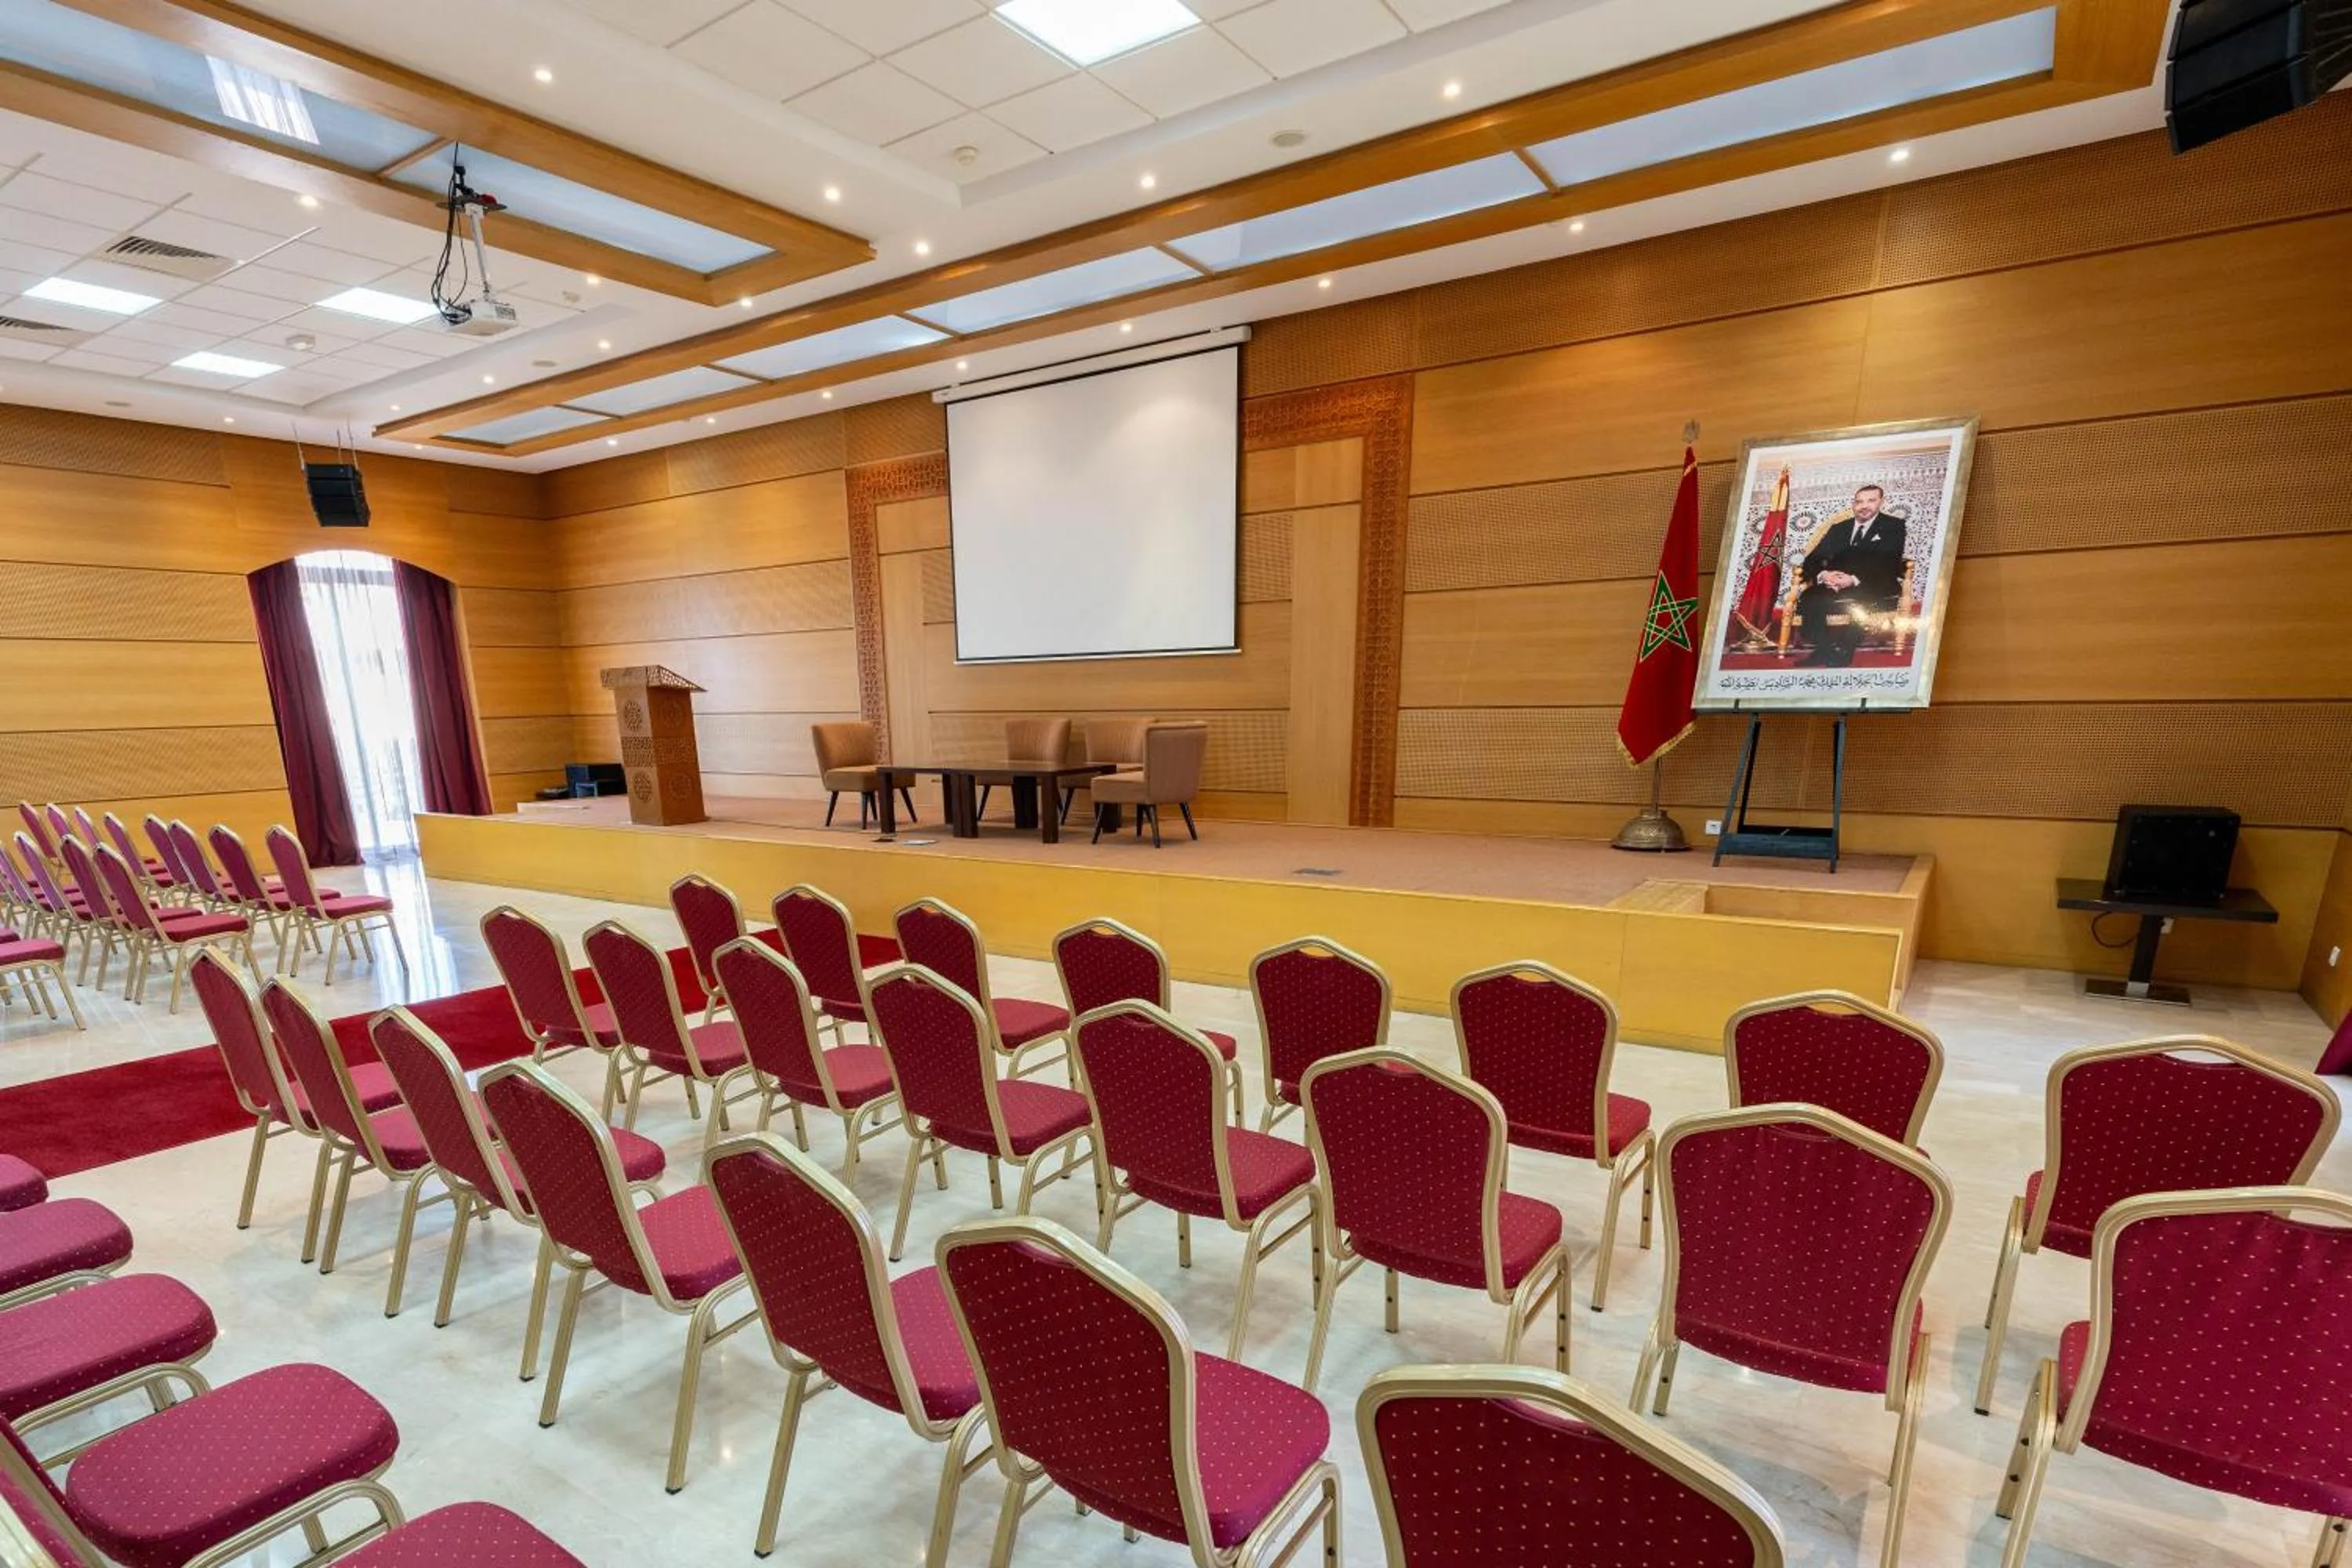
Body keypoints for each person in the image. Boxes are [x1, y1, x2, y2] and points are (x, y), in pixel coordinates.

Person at [1792, 483, 1907, 667]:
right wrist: (1824, 575)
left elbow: (1889, 562)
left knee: (1862, 602)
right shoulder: (1839, 529)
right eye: (1859, 502)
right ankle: (1824, 649)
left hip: (1873, 584)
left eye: (1871, 500)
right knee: (1810, 597)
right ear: (1853, 505)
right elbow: (1812, 559)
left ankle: (1845, 652)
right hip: (1835, 585)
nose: (1864, 506)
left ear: (1881, 502)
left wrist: (1853, 580)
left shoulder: (1893, 526)